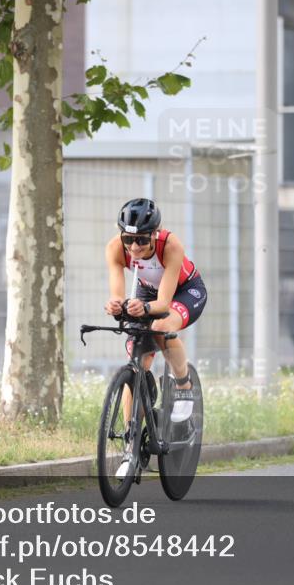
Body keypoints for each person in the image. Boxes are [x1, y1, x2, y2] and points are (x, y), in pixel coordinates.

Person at [104, 198, 207, 477]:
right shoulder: (116, 248)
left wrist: (146, 309)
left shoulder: (170, 245)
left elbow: (163, 304)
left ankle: (184, 385)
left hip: (184, 292)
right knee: (135, 353)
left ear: (155, 234)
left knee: (161, 327)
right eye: (129, 239)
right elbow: (117, 291)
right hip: (148, 294)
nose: (135, 247)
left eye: (141, 240)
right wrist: (116, 304)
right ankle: (131, 443)